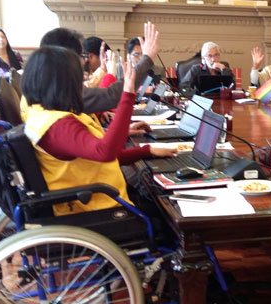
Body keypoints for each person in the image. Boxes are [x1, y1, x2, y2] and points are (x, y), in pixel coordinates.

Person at [22, 45, 175, 216]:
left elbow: (98, 156)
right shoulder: (58, 125)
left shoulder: (44, 114)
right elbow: (105, 152)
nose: (82, 82)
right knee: (163, 210)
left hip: (94, 199)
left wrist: (146, 150)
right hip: (93, 210)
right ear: (63, 82)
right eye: (78, 77)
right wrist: (127, 96)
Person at [38, 22, 159, 114]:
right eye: (82, 56)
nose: (84, 61)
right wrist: (147, 58)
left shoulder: (52, 86)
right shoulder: (63, 92)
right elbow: (111, 96)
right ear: (65, 59)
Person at [0, 28, 23, 96]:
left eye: (3, 37)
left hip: (18, 88)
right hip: (0, 91)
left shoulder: (16, 54)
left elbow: (21, 70)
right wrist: (16, 74)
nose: (1, 39)